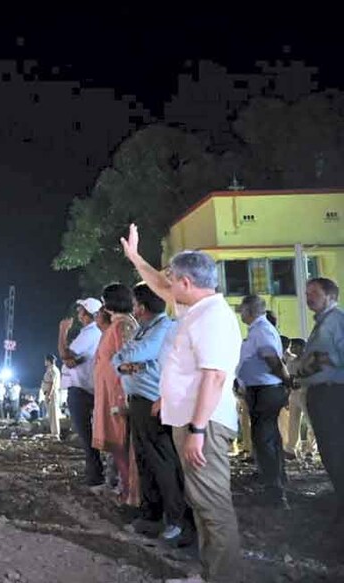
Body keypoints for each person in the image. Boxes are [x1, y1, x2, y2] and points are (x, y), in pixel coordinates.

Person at [121, 224, 243, 582]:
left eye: (172, 280)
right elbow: (159, 284)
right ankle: (211, 573)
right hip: (190, 421)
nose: (166, 286)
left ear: (187, 283)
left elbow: (214, 377)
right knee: (202, 504)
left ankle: (224, 577)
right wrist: (135, 258)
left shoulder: (213, 319)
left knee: (212, 507)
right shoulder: (196, 311)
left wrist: (198, 430)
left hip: (203, 425)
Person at [114, 283, 192, 545]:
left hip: (154, 403)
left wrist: (128, 362)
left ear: (143, 307)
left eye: (136, 304)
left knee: (163, 462)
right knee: (146, 461)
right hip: (140, 401)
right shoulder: (146, 329)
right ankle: (151, 515)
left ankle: (176, 521)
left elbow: (134, 354)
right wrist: (125, 364)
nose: (134, 308)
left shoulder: (163, 328)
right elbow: (122, 360)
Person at [293, 277, 344, 530]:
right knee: (331, 452)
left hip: (332, 393)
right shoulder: (325, 322)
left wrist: (301, 368)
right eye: (306, 292)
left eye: (314, 293)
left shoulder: (333, 321)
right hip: (325, 392)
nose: (308, 297)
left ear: (330, 296)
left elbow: (322, 359)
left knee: (335, 451)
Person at [235, 294, 290, 507]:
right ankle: (275, 480)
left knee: (264, 440)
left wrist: (286, 379)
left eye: (242, 309)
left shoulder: (261, 330)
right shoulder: (260, 329)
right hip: (262, 389)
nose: (240, 313)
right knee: (269, 438)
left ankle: (274, 491)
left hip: (265, 390)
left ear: (249, 311)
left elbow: (272, 359)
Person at [93, 283, 139, 505]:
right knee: (117, 445)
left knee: (122, 443)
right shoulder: (116, 325)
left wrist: (124, 396)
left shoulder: (124, 326)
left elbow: (129, 361)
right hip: (110, 391)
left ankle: (131, 492)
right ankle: (124, 488)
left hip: (119, 393)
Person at [59, 297, 104, 491]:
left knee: (86, 434)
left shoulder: (90, 333)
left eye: (80, 310)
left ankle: (95, 475)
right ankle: (95, 473)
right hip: (87, 387)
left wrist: (62, 332)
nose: (78, 314)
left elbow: (67, 356)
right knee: (88, 434)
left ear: (88, 314)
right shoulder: (94, 332)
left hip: (81, 388)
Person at [41, 355, 62, 439]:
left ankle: (55, 433)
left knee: (54, 413)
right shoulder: (50, 369)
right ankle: (53, 432)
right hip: (49, 393)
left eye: (45, 360)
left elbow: (52, 383)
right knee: (51, 414)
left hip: (52, 394)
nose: (45, 362)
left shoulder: (53, 370)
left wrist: (49, 395)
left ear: (49, 361)